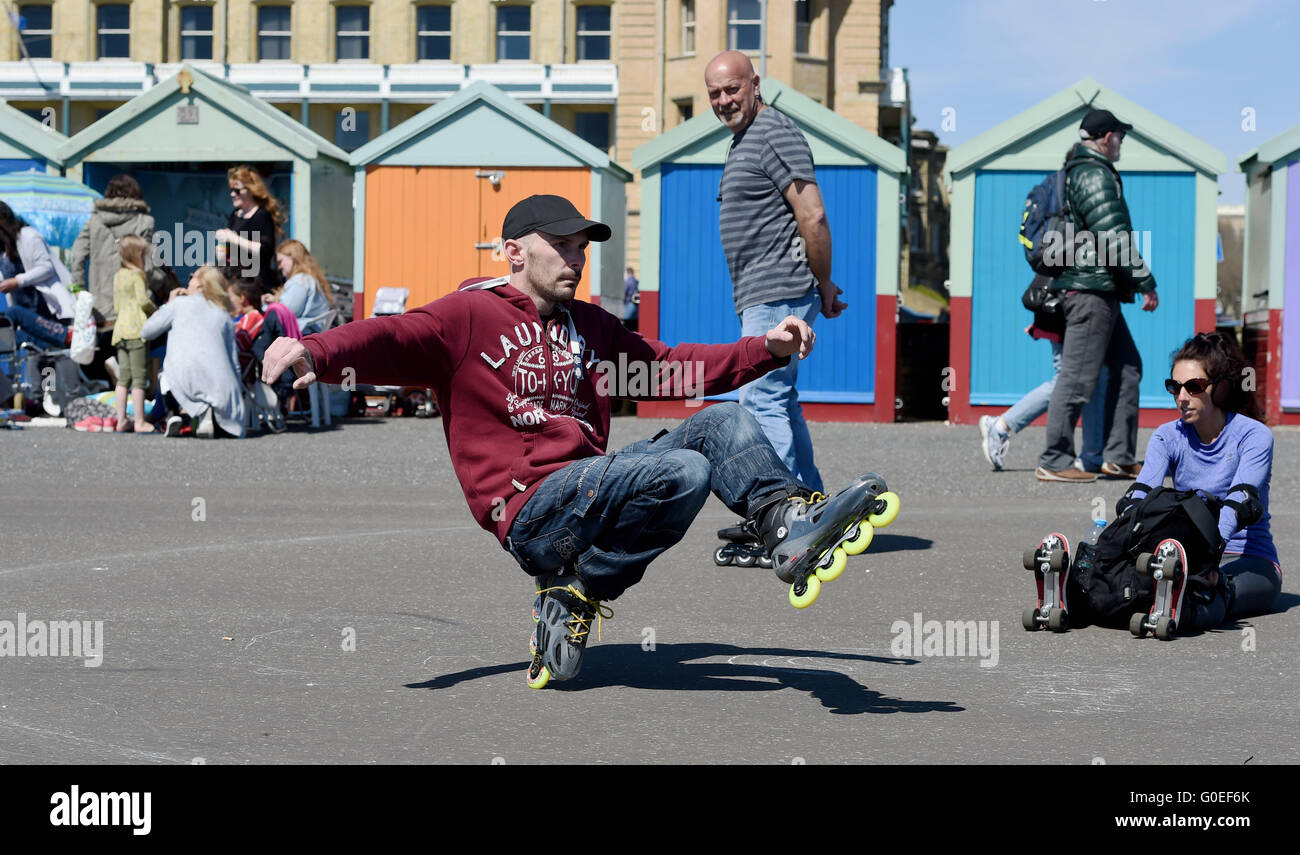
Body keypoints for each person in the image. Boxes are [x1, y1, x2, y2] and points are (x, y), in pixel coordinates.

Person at [261, 194, 895, 689]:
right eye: (560, 246)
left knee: (722, 423)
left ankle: (785, 528)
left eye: (581, 248)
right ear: (513, 252)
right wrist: (314, 347)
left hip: (595, 482)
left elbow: (672, 365)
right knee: (682, 473)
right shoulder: (468, 316)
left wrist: (767, 350)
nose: (576, 259)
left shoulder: (590, 325)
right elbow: (393, 335)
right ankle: (576, 584)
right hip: (530, 508)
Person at [705, 51, 845, 494]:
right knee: (778, 398)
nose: (724, 100)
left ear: (755, 83)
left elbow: (814, 216)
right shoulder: (746, 138)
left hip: (776, 290)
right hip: (767, 292)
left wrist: (823, 282)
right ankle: (811, 504)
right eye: (715, 93)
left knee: (761, 400)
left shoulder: (772, 132)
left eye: (733, 88)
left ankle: (783, 513)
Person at [1127, 332, 1280, 630]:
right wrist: (1120, 542)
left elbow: (1239, 501)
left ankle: (1181, 607)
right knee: (1128, 582)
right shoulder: (1166, 435)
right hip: (1185, 557)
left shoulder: (1254, 436)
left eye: (1194, 387)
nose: (1181, 397)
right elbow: (1140, 495)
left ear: (1220, 389)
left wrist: (1207, 559)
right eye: (1175, 387)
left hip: (1250, 560)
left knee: (1212, 589)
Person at [1036, 109, 1157, 483]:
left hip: (1099, 288)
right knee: (1077, 377)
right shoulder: (1092, 174)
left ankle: (1118, 457)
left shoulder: (1087, 170)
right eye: (1120, 137)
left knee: (1128, 368)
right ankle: (1054, 459)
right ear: (1107, 137)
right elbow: (1112, 234)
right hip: (1089, 290)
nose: (1121, 144)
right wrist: (1144, 281)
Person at [979, 273, 1104, 471]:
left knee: (1082, 381)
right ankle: (1001, 426)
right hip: (1065, 312)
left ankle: (1092, 455)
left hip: (1065, 310)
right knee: (1066, 381)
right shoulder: (1065, 249)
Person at [142, 266, 245, 438]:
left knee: (165, 375)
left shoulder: (179, 304)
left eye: (192, 277)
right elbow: (234, 361)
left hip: (184, 379)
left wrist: (169, 303)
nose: (188, 280)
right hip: (220, 387)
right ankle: (205, 415)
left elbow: (147, 331)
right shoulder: (223, 314)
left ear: (201, 285)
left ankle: (174, 414)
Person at [0, 201, 75, 324]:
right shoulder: (3, 247)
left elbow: (46, 268)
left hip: (46, 310)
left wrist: (17, 281)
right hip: (23, 313)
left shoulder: (29, 236)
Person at [215, 166, 285, 296]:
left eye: (237, 190)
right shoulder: (235, 214)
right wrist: (221, 247)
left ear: (251, 190)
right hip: (235, 280)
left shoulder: (262, 215)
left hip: (256, 283)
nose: (232, 194)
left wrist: (233, 238)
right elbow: (227, 249)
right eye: (231, 190)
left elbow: (265, 250)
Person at [110, 236, 156, 433]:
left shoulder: (118, 275)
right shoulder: (137, 276)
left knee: (123, 378)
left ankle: (121, 420)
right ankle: (139, 421)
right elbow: (143, 301)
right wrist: (155, 310)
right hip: (136, 330)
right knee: (139, 378)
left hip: (120, 330)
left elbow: (117, 305)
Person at [274, 240, 332, 335]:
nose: (279, 267)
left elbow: (284, 314)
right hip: (314, 333)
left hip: (303, 335)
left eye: (280, 262)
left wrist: (264, 306)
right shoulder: (309, 278)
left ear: (293, 258)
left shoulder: (299, 281)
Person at [622, 266, 639, 333]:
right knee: (634, 323)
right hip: (635, 304)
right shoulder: (636, 281)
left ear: (628, 273)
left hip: (629, 303)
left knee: (627, 323)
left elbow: (625, 292)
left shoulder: (628, 282)